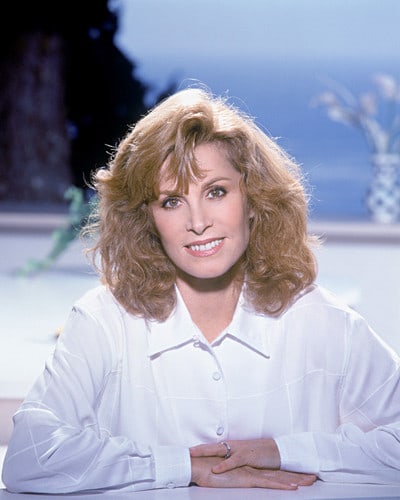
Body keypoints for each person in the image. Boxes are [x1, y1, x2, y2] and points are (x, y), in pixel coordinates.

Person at [2, 87, 400, 494]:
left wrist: (283, 451)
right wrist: (183, 466)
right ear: (146, 219)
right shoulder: (103, 320)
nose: (197, 222)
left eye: (216, 192)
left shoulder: (324, 321)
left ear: (253, 199)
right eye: (171, 201)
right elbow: (29, 458)